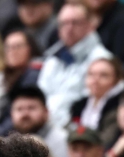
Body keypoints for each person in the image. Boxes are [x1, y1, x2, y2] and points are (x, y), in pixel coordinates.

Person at [38, 2, 112, 131]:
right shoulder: (52, 60)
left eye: (75, 22)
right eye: (64, 23)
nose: (69, 28)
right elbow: (41, 95)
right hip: (46, 128)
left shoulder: (102, 60)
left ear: (90, 24)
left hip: (80, 130)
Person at [7, 86, 72, 157]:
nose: (25, 114)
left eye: (31, 108)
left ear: (46, 112)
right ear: (11, 114)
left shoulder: (63, 140)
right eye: (19, 109)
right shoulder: (9, 145)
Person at [70, 57, 124, 147]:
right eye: (91, 74)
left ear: (116, 80)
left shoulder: (119, 107)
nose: (95, 80)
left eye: (103, 75)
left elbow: (107, 140)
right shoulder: (78, 105)